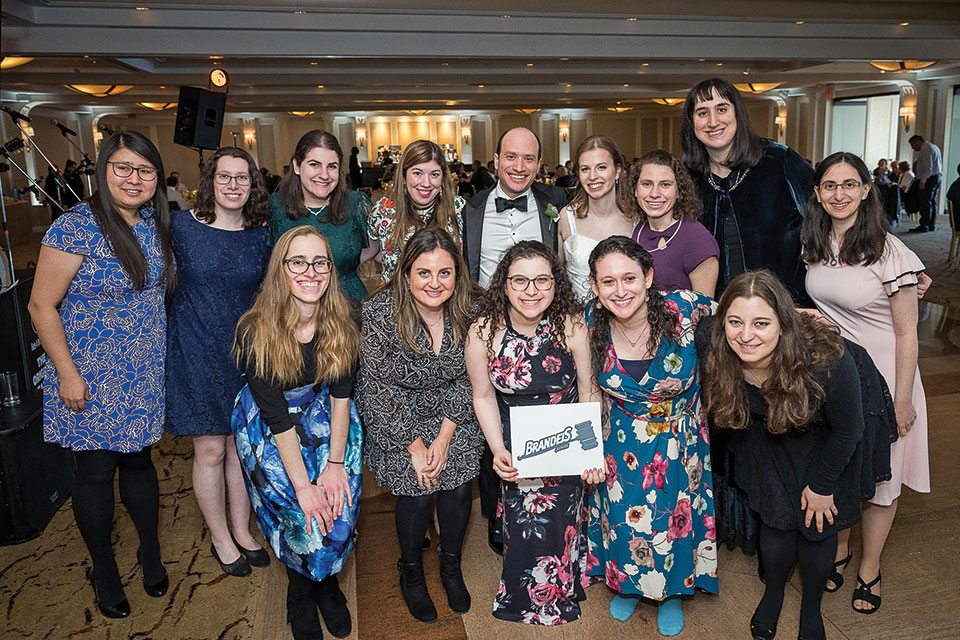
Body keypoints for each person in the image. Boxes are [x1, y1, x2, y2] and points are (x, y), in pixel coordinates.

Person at [27, 130, 174, 618]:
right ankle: (104, 569)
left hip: (144, 370)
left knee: (139, 463)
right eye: (123, 168)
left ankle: (148, 551)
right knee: (94, 472)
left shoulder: (156, 224)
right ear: (103, 169)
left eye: (145, 170)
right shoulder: (76, 227)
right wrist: (67, 373)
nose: (134, 179)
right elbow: (41, 305)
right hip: (87, 375)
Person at [699, 270, 867, 640]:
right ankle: (773, 593)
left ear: (783, 324)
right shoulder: (714, 345)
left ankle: (811, 610)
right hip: (763, 438)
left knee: (816, 526)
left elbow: (848, 430)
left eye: (761, 323)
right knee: (775, 521)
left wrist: (822, 486)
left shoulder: (827, 362)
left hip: (824, 442)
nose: (746, 335)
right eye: (735, 322)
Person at [801, 151, 930, 614]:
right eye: (830, 186)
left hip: (888, 378)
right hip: (841, 378)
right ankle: (839, 551)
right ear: (816, 193)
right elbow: (827, 309)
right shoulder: (815, 242)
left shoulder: (891, 252)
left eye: (849, 184)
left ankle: (870, 567)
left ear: (866, 189)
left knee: (880, 481)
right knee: (843, 470)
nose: (840, 194)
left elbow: (906, 333)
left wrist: (902, 398)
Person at [232, 226, 362, 640]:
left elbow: (342, 396)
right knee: (300, 511)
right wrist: (304, 485)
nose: (311, 271)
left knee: (339, 501)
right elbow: (278, 421)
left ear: (331, 269)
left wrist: (336, 463)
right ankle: (300, 592)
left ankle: (327, 585)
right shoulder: (255, 331)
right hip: (271, 426)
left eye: (320, 261)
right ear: (280, 269)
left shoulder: (345, 317)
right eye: (298, 262)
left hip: (325, 410)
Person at [584, 236, 717, 637]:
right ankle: (626, 582)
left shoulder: (686, 308)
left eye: (630, 278)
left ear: (649, 277)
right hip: (620, 437)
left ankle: (672, 591)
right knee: (623, 517)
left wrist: (798, 313)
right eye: (608, 282)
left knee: (676, 516)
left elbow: (745, 312)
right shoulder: (588, 321)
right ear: (594, 286)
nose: (620, 290)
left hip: (681, 438)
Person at [464, 240, 602, 625]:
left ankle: (565, 587)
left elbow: (589, 389)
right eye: (520, 280)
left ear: (556, 284)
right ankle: (524, 596)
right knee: (524, 524)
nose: (531, 290)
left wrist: (590, 451)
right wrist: (497, 448)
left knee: (565, 521)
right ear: (504, 285)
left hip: (569, 441)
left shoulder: (572, 326)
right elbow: (483, 395)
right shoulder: (482, 333)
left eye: (542, 280)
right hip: (518, 446)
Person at [357, 228, 483, 623]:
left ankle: (450, 564)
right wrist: (414, 446)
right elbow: (375, 386)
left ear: (457, 275)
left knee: (459, 482)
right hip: (396, 413)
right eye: (424, 273)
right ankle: (410, 569)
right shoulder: (379, 313)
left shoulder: (472, 310)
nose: (435, 283)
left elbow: (470, 378)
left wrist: (445, 438)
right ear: (406, 273)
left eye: (445, 273)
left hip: (454, 409)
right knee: (417, 487)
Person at [164, 147, 272, 578]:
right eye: (224, 177)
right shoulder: (181, 228)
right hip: (195, 347)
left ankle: (242, 531)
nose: (233, 185)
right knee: (210, 448)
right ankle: (219, 536)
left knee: (240, 446)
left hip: (245, 352)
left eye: (241, 177)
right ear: (209, 181)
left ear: (252, 184)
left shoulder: (260, 233)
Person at [460, 127, 568, 553]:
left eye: (528, 159)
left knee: (542, 411)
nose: (519, 167)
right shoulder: (470, 209)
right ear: (496, 160)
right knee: (491, 418)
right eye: (511, 157)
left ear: (539, 164)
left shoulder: (555, 203)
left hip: (541, 315)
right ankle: (496, 514)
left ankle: (549, 506)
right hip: (490, 323)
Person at [681, 77, 814, 305]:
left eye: (721, 109)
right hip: (719, 314)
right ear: (691, 122)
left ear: (737, 114)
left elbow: (824, 218)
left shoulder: (778, 161)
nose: (713, 121)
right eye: (702, 112)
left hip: (786, 309)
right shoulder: (687, 179)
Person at [267, 129, 376, 301]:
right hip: (290, 310)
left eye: (332, 166)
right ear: (296, 166)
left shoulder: (357, 204)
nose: (324, 175)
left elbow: (376, 248)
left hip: (349, 308)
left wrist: (346, 263)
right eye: (314, 164)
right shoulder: (273, 207)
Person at [367, 139, 466, 284]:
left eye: (434, 174)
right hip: (396, 301)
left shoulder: (457, 208)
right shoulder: (384, 210)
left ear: (443, 177)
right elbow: (372, 251)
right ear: (404, 176)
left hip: (445, 302)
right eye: (417, 173)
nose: (426, 183)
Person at [629, 150, 719, 297]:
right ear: (635, 190)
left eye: (665, 185)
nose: (654, 193)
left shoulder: (697, 238)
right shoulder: (638, 230)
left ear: (679, 192)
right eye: (646, 184)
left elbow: (705, 308)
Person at [556, 135, 636, 300]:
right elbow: (557, 275)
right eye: (585, 169)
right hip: (578, 317)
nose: (592, 176)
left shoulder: (636, 217)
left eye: (601, 167)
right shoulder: (566, 216)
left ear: (617, 170)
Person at [907, 134, 943, 233]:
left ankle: (924, 225)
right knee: (932, 201)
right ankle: (931, 224)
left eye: (912, 145)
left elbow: (928, 167)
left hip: (929, 179)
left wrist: (923, 180)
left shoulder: (925, 149)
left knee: (925, 202)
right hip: (937, 176)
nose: (913, 148)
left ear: (917, 141)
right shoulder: (933, 146)